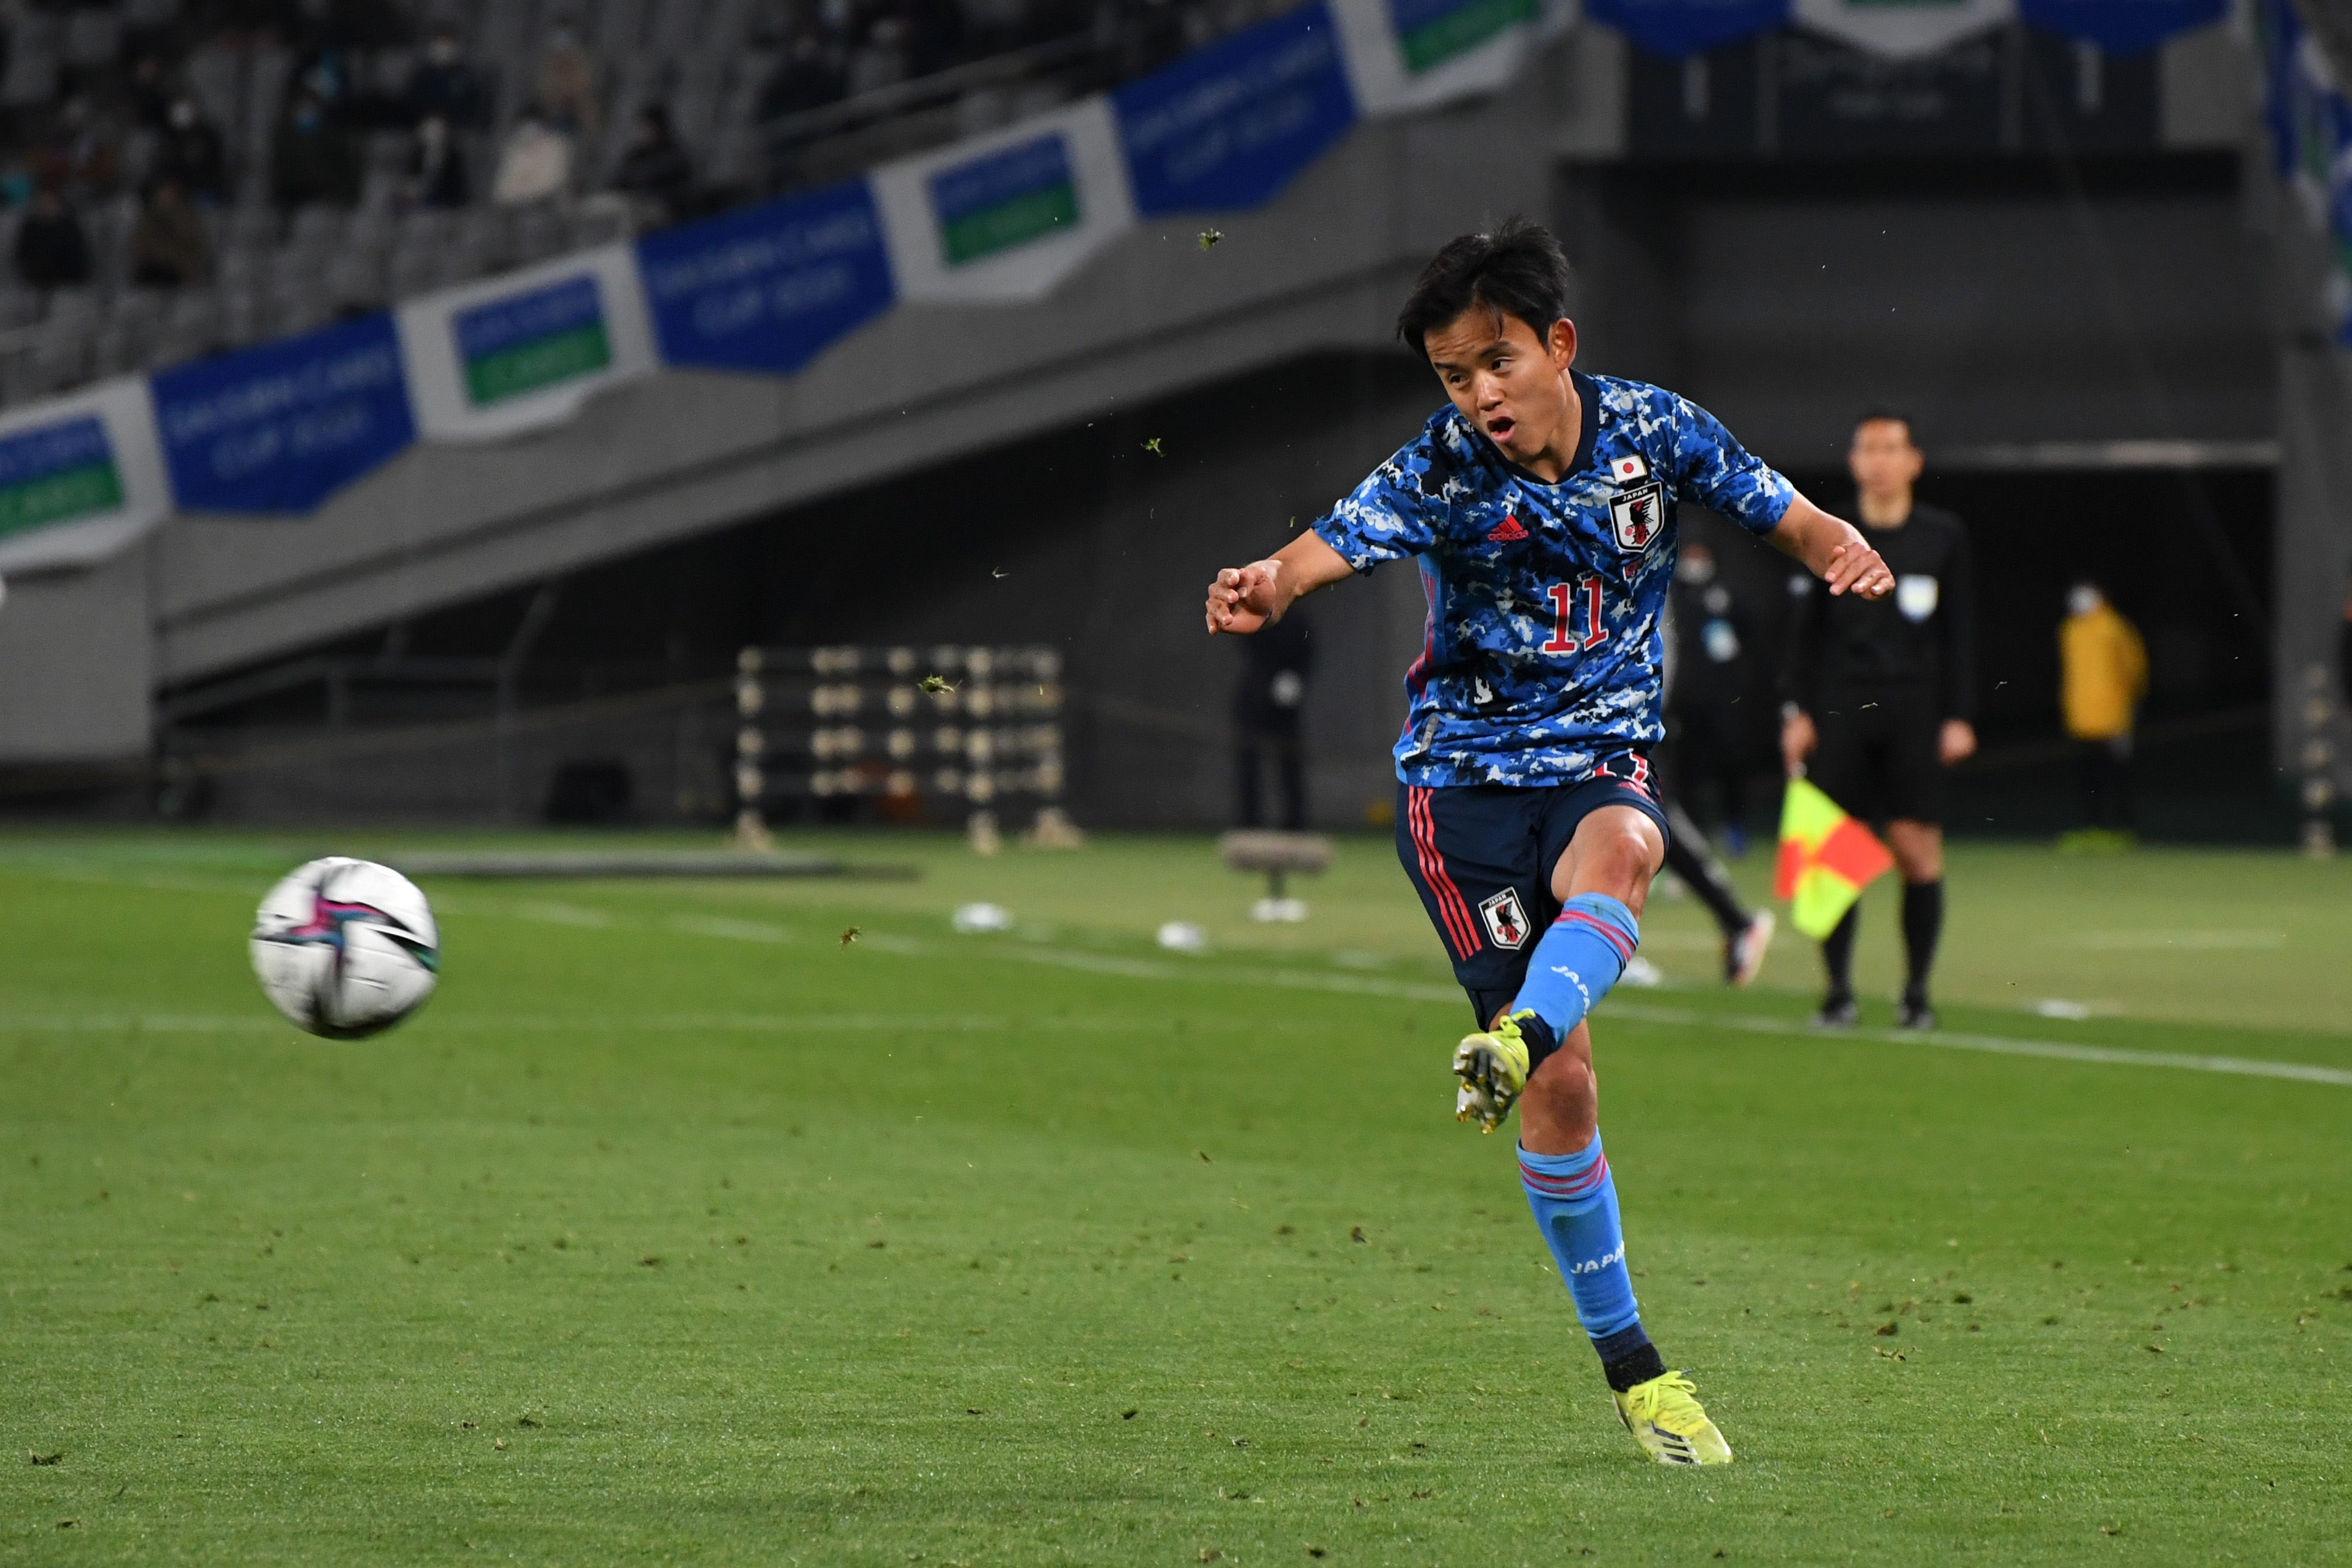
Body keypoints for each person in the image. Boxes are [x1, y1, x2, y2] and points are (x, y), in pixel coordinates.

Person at [1203, 219, 1895, 1467]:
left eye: (1497, 362)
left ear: (1558, 345)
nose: (1479, 395)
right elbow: (1325, 546)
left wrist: (1838, 543)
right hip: (1459, 796)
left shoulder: (1655, 430)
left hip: (1595, 762)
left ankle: (1518, 1037)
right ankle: (1634, 1369)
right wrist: (1268, 581)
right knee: (1566, 1089)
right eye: (1452, 376)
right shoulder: (1441, 468)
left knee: (1628, 848)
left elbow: (1777, 511)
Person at [1780, 410, 1975, 1031]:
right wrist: (1798, 712)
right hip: (1840, 708)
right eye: (1868, 448)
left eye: (1891, 448)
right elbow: (1804, 634)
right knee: (1832, 855)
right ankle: (1837, 993)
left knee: (1916, 850)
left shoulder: (1943, 535)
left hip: (1914, 709)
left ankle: (1915, 995)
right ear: (1853, 460)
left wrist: (1959, 715)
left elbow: (1959, 631)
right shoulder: (1830, 531)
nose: (1879, 460)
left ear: (1913, 461)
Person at [1658, 594, 1775, 985]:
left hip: (1624, 725)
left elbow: (1660, 644)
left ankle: (1736, 919)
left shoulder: (1642, 572)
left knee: (1655, 821)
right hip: (1579, 722)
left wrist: (1643, 712)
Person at [1666, 539, 1756, 855]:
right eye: (1689, 554)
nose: (1695, 561)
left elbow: (1749, 639)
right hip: (1684, 698)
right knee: (1686, 768)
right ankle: (1693, 830)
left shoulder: (1726, 591)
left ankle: (1734, 823)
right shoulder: (1671, 595)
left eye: (1700, 554)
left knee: (1731, 759)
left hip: (1724, 697)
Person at [2059, 581, 2146, 840]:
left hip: (2113, 715)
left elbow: (2134, 667)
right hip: (2081, 718)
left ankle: (2121, 828)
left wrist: (2131, 701)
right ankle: (2092, 828)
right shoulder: (2070, 630)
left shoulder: (2114, 627)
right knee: (2087, 776)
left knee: (2117, 775)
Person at [1232, 605, 1312, 830]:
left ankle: (1295, 824)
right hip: (1254, 698)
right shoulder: (1253, 614)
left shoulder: (1297, 619)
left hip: (1286, 705)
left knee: (1290, 761)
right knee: (1249, 762)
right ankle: (1249, 823)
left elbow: (1307, 653)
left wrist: (1296, 679)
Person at [272, 90, 362, 210]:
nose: (307, 113)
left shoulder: (332, 137)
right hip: (295, 199)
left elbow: (342, 170)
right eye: (303, 108)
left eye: (311, 108)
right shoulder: (285, 138)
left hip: (328, 200)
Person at [609, 104, 694, 225]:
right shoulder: (637, 154)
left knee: (629, 215)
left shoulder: (673, 153)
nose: (645, 132)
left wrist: (638, 182)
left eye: (649, 127)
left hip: (663, 207)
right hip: (634, 202)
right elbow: (619, 180)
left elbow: (658, 179)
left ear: (659, 127)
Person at [129, 178, 212, 286]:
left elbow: (192, 246)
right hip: (151, 271)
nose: (168, 198)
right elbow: (140, 248)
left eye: (172, 194)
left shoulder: (188, 220)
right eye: (165, 194)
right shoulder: (148, 222)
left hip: (179, 273)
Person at [404, 25, 485, 129]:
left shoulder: (465, 76)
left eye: (447, 43)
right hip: (425, 128)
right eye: (440, 43)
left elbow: (473, 106)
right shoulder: (422, 75)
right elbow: (412, 105)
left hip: (458, 129)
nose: (444, 48)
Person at [491, 104, 574, 206]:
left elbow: (551, 185)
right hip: (514, 209)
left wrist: (520, 192)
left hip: (547, 208)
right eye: (523, 126)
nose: (528, 130)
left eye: (533, 125)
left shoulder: (557, 147)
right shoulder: (514, 151)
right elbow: (502, 192)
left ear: (543, 126)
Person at [155, 97, 229, 205]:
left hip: (207, 187)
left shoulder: (208, 138)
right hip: (185, 187)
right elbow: (171, 167)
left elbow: (214, 166)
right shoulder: (172, 141)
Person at [14, 186, 92, 288]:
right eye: (45, 202)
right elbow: (23, 252)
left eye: (52, 202)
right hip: (35, 283)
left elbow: (77, 255)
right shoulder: (32, 227)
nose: (48, 205)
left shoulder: (69, 228)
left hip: (66, 284)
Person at [406, 113, 470, 209]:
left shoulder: (452, 156)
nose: (431, 135)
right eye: (428, 130)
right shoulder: (418, 155)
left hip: (443, 201)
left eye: (436, 131)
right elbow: (412, 176)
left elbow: (452, 186)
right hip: (421, 198)